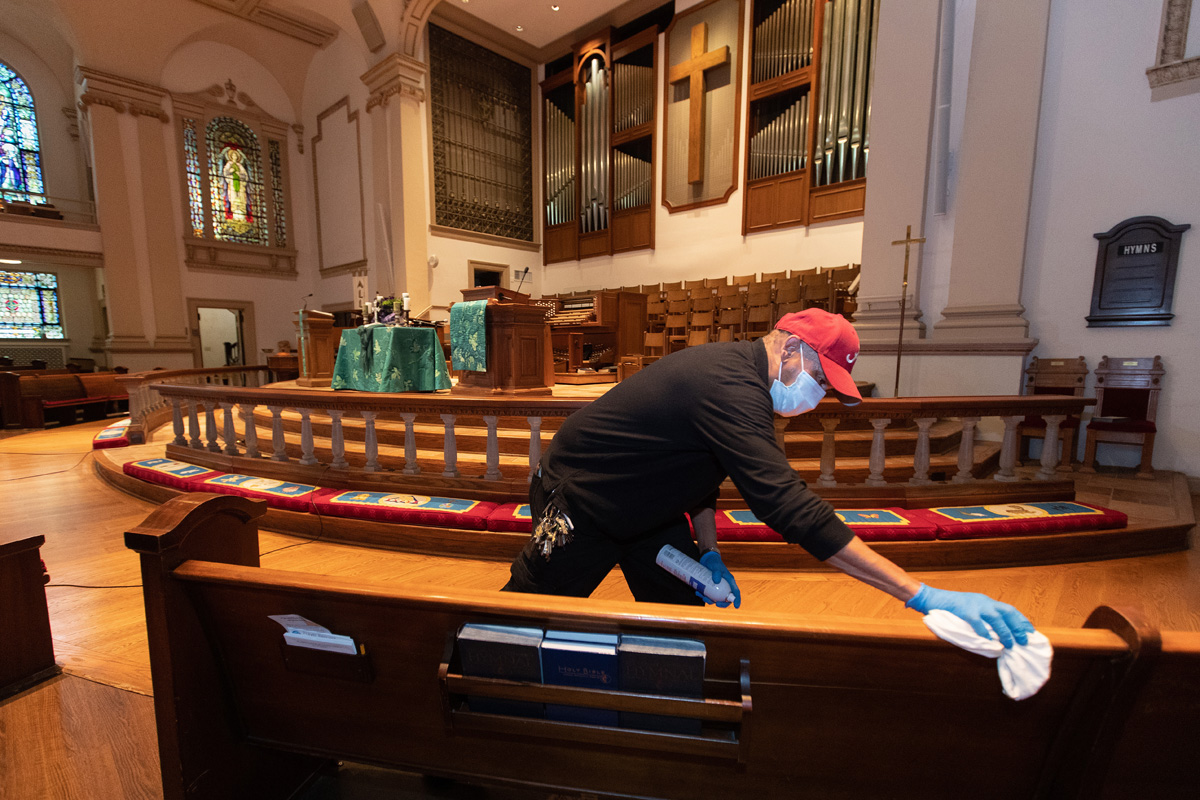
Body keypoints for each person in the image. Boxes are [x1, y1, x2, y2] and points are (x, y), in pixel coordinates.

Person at [502, 308, 1034, 648]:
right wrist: (918, 594)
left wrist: (708, 551)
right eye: (821, 379)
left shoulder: (747, 386)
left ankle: (663, 731)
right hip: (582, 497)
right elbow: (786, 506)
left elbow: (697, 474)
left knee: (681, 630)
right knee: (518, 622)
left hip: (649, 507)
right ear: (791, 347)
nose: (818, 395)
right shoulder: (729, 385)